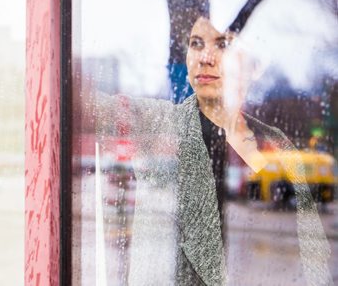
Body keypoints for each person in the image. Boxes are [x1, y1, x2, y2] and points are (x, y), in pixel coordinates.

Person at [88, 17, 332, 285]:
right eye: (196, 44)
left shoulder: (276, 142)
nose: (206, 57)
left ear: (249, 68)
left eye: (222, 45)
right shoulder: (163, 121)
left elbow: (314, 252)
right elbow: (87, 104)